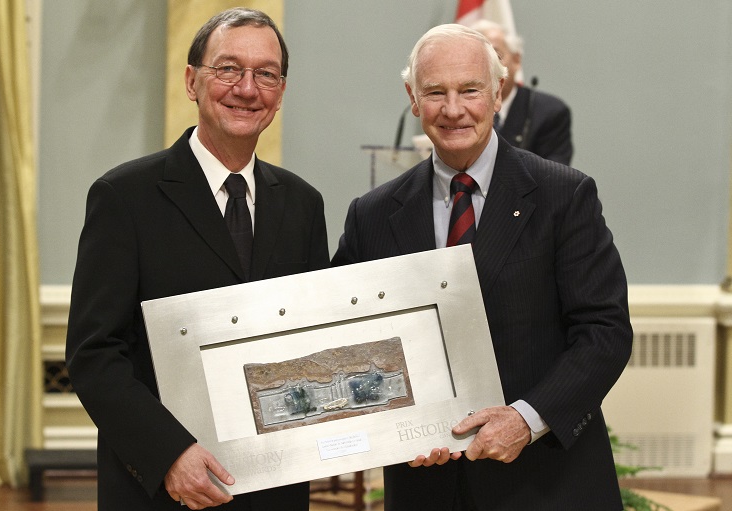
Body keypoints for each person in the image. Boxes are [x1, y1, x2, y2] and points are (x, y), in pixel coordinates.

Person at [332, 24, 632, 510]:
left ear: (498, 93)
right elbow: (345, 337)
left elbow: (605, 331)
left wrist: (525, 420)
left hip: (546, 483)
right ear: (413, 98)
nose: (453, 109)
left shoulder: (563, 195)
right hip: (424, 484)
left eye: (470, 90)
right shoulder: (372, 214)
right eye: (435, 92)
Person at [65, 8, 329, 511]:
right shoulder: (124, 197)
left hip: (275, 489)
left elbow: (313, 344)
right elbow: (94, 354)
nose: (247, 89)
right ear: (191, 81)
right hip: (164, 489)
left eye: (266, 74)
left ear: (281, 91)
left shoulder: (303, 204)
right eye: (228, 69)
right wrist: (168, 455)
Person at [472, 19, 574, 165]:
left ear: (516, 60)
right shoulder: (456, 111)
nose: (488, 66)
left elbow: (555, 180)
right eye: (478, 58)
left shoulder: (550, 112)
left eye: (497, 56)